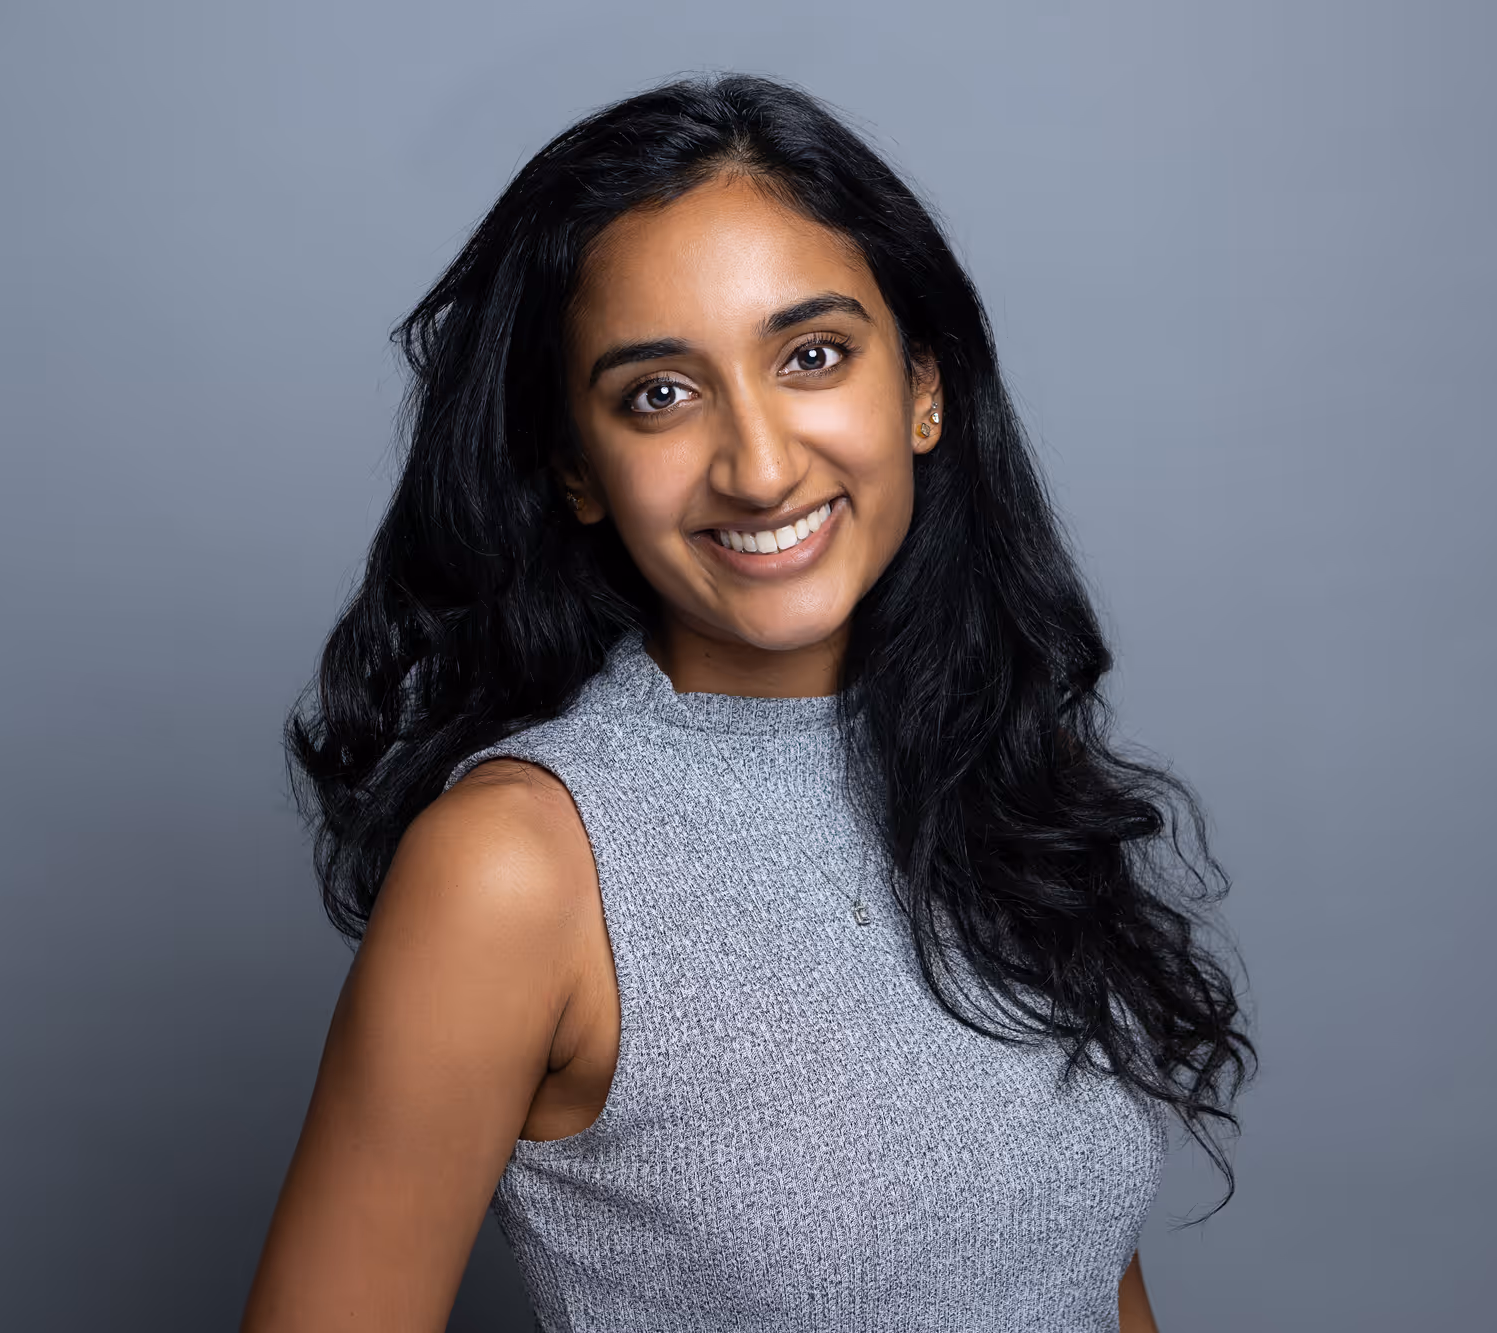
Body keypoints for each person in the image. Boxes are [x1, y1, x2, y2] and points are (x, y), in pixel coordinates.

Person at [243, 73, 1254, 1333]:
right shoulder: (516, 865)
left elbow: (1077, 1282)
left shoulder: (991, 768)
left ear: (923, 388)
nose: (761, 465)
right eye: (658, 394)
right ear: (577, 470)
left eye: (812, 355)